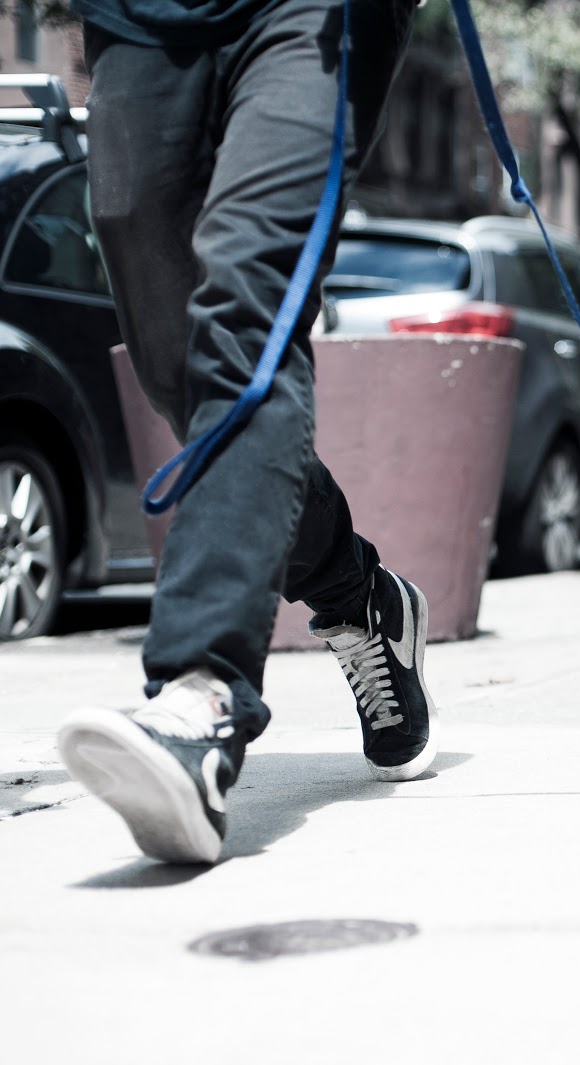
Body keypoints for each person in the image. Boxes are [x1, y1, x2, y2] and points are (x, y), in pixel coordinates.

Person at [55, 0, 435, 864]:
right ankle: (359, 595)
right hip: (141, 17)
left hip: (315, 17)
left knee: (246, 316)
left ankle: (201, 696)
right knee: (182, 373)